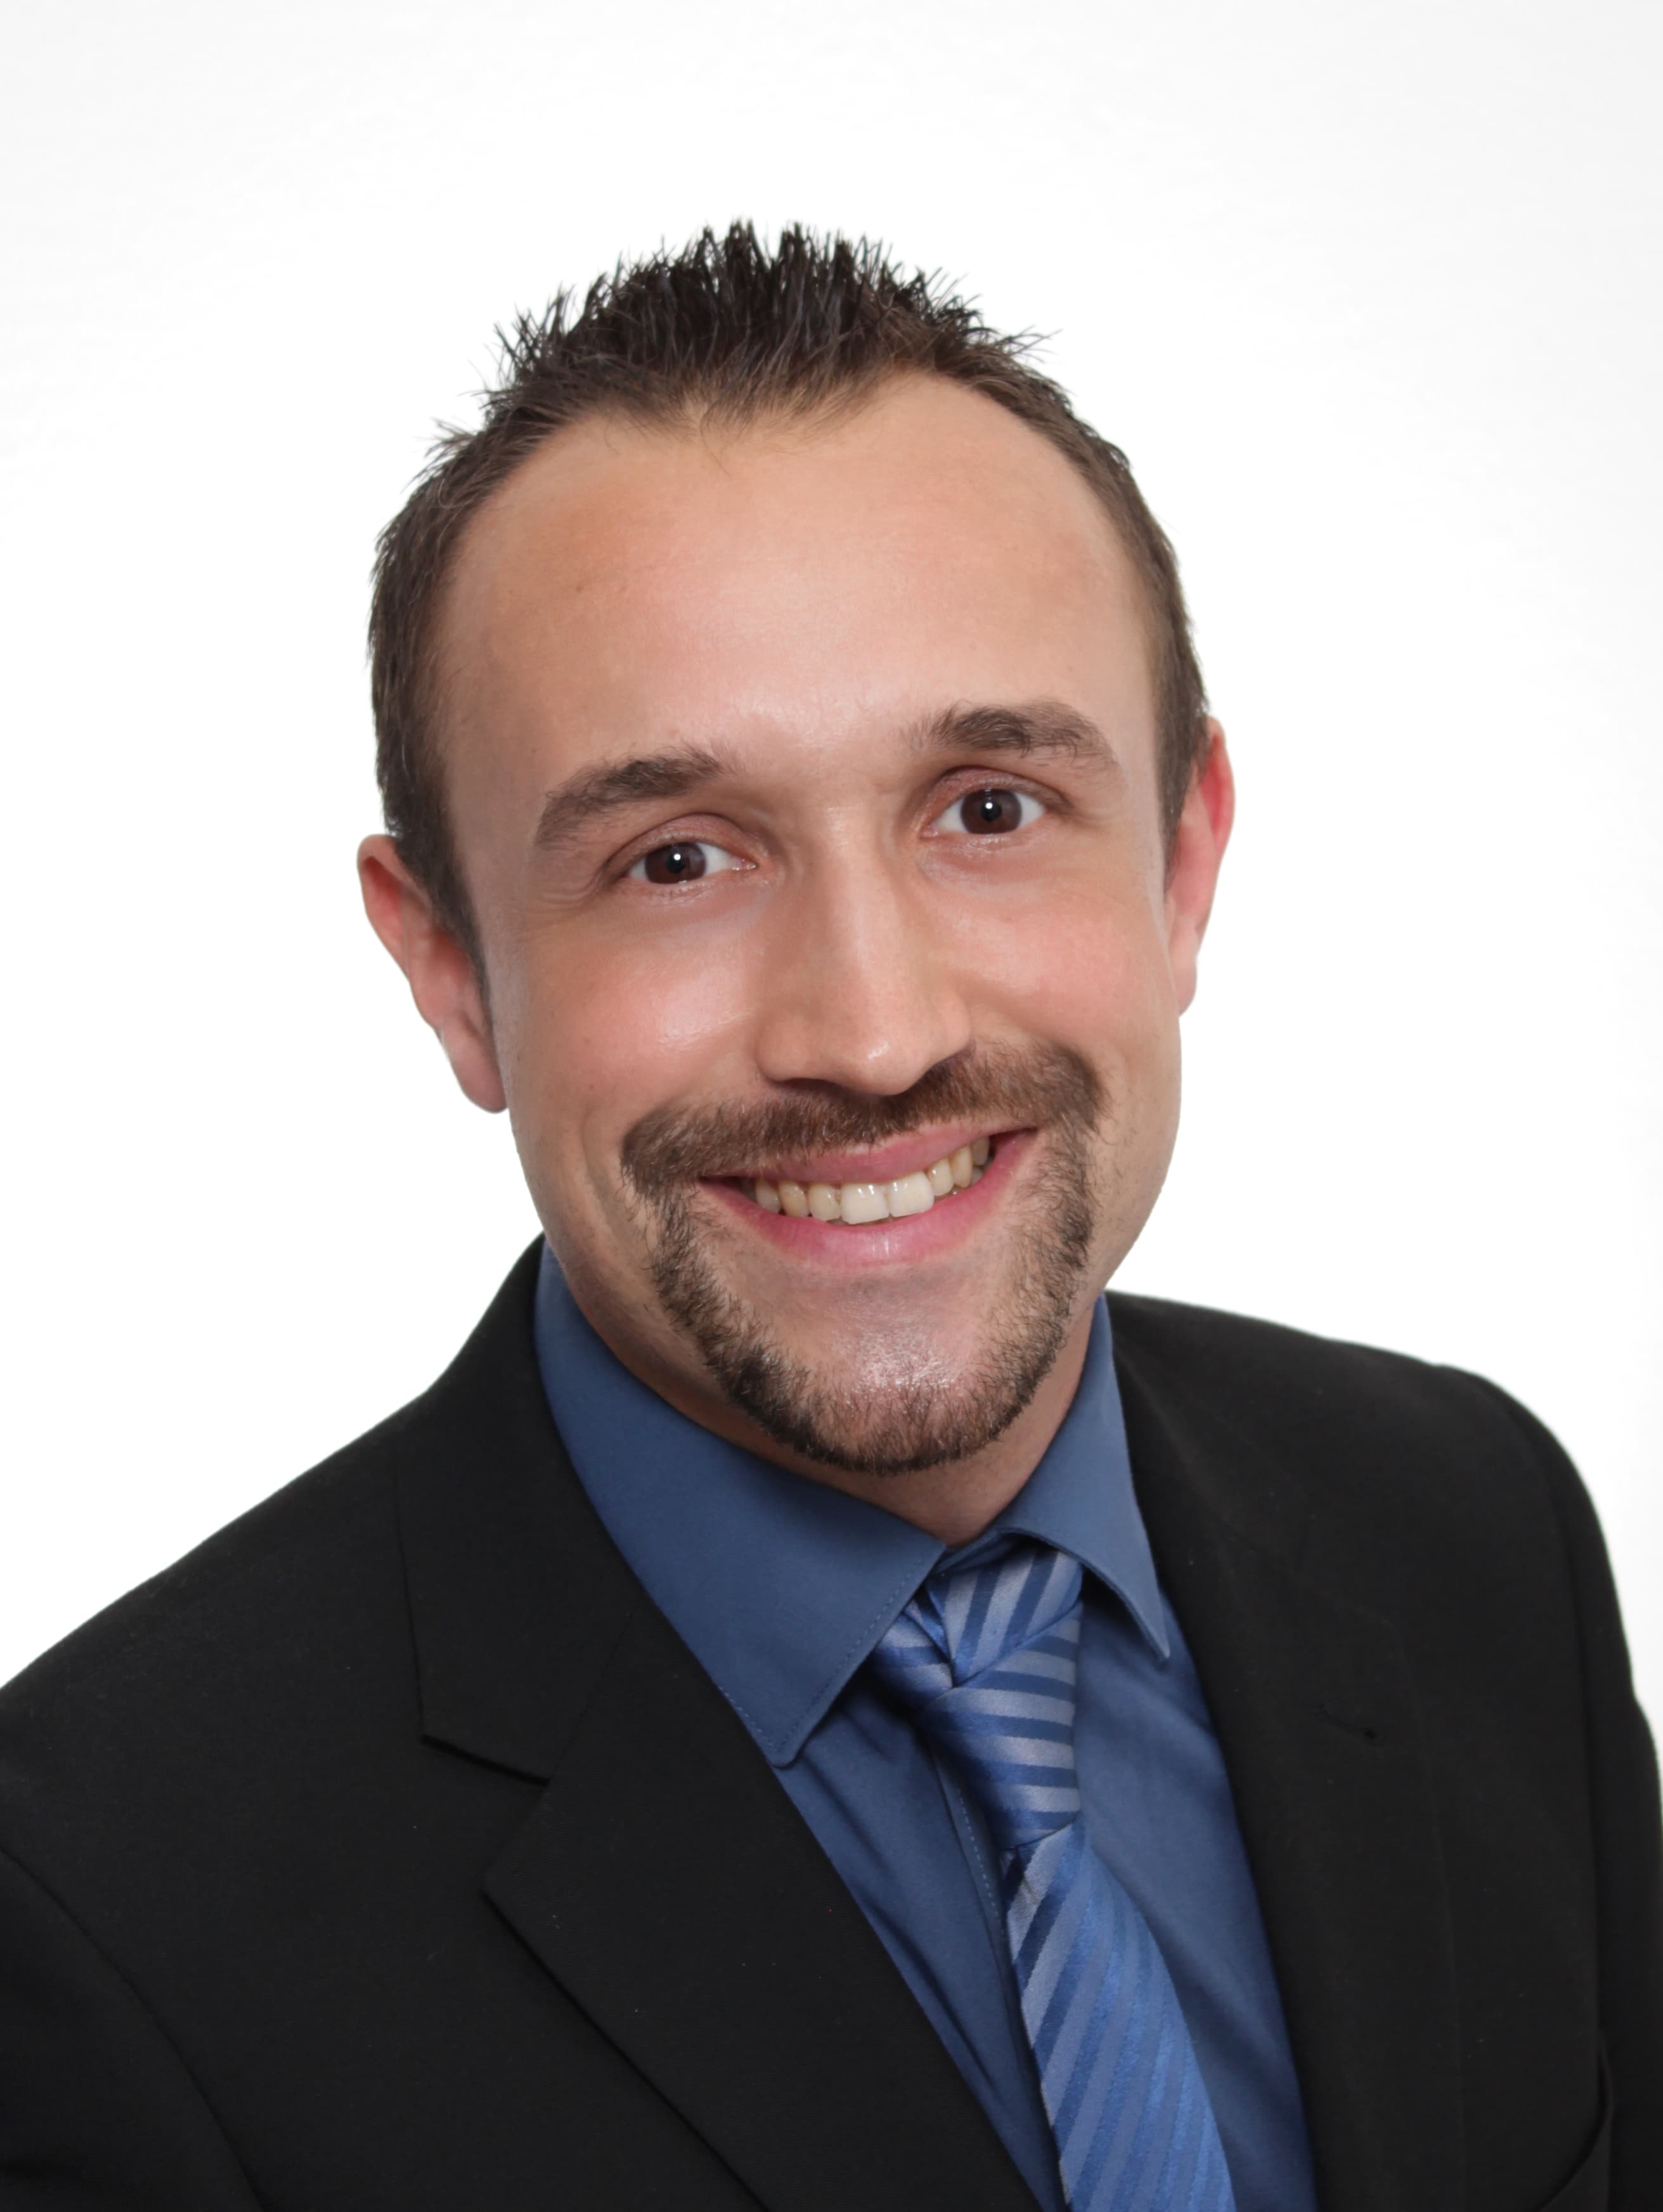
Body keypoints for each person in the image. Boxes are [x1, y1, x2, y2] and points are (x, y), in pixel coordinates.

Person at [0, 225, 1656, 2212]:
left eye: (986, 807)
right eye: (677, 856)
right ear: (449, 971)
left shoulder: (1473, 1530)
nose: (872, 1034)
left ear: (1184, 860)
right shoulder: (97, 1914)